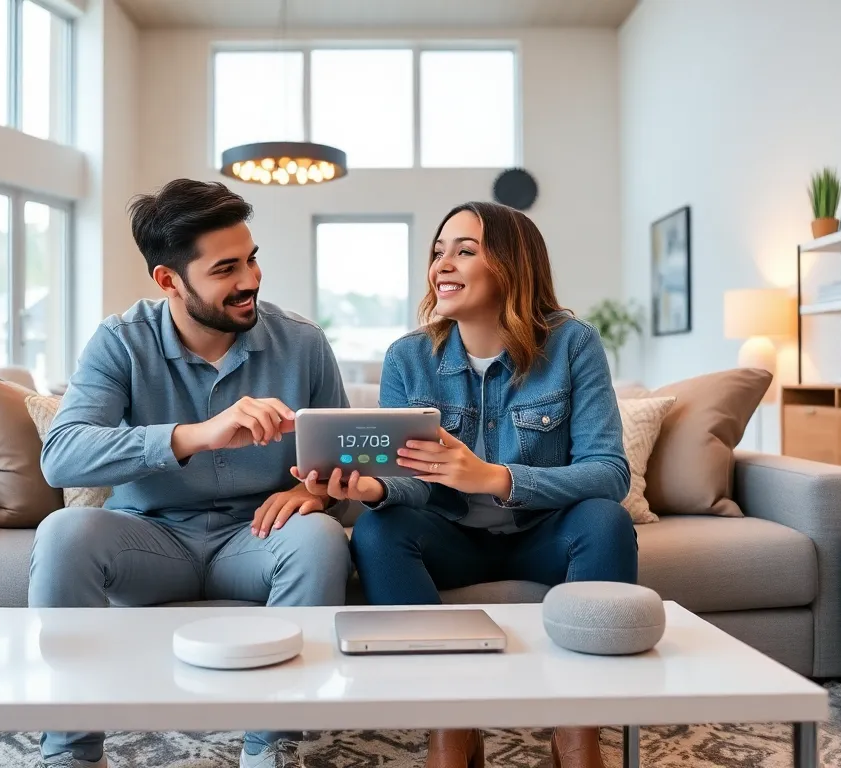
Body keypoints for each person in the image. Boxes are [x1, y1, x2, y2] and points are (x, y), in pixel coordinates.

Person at [297, 201, 637, 768]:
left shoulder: (573, 344)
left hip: (542, 535)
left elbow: (609, 472)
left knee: (607, 519)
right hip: (451, 538)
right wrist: (373, 491)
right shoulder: (410, 357)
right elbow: (410, 485)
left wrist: (496, 478)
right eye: (437, 251)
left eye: (464, 250)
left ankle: (577, 734)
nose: (441, 265)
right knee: (380, 531)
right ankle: (451, 728)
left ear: (511, 264)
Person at [32, 179, 352, 768]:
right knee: (62, 532)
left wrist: (311, 491)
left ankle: (273, 747)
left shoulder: (302, 342)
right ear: (168, 280)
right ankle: (69, 753)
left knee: (320, 538)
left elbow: (344, 457)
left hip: (256, 540)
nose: (250, 279)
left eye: (252, 259)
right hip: (149, 541)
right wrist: (194, 436)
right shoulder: (120, 341)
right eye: (226, 268)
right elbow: (63, 454)